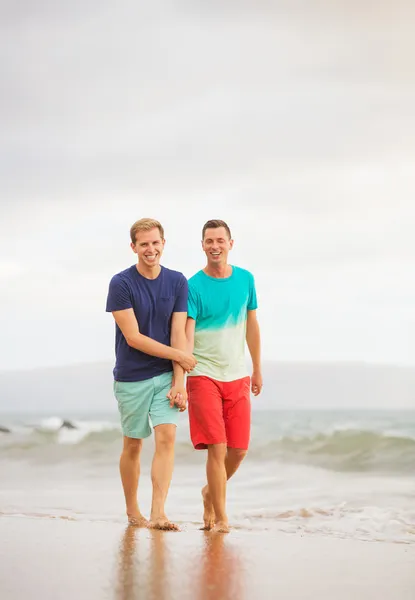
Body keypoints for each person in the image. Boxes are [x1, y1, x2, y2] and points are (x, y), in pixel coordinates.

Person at [106, 218, 196, 530]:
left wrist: (179, 381)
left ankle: (159, 512)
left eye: (155, 243)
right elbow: (133, 338)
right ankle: (134, 512)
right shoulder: (121, 283)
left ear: (163, 244)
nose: (150, 249)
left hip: (164, 376)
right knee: (133, 443)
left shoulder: (177, 281)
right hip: (131, 376)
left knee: (167, 437)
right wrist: (182, 357)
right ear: (134, 247)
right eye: (144, 244)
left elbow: (178, 332)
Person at [186, 219, 263, 533]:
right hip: (202, 374)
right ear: (202, 245)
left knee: (239, 450)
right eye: (209, 241)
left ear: (231, 243)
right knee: (217, 446)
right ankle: (221, 517)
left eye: (220, 240)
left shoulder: (245, 279)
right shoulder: (193, 285)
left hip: (237, 375)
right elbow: (187, 332)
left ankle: (209, 493)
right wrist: (182, 372)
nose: (214, 246)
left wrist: (257, 367)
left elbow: (252, 325)